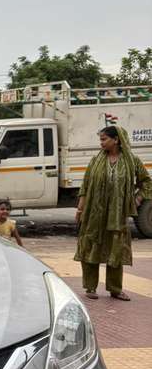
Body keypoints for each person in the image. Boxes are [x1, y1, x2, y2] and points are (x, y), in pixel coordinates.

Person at [75, 124, 152, 301]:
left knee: (115, 251)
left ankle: (115, 289)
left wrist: (137, 199)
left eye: (104, 139)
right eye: (100, 139)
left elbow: (147, 183)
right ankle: (90, 287)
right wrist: (80, 208)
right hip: (94, 214)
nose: (101, 143)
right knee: (91, 247)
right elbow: (85, 186)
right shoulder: (95, 160)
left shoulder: (132, 161)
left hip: (117, 216)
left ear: (116, 140)